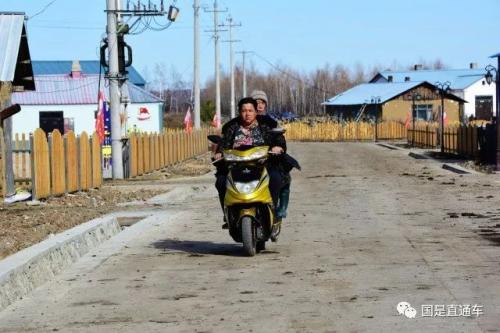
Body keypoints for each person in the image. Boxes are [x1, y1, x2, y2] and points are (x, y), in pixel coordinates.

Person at [214, 97, 285, 227]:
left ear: (256, 112)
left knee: (275, 178)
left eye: (250, 110)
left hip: (262, 165)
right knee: (220, 181)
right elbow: (223, 143)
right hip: (236, 167)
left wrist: (278, 146)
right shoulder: (231, 127)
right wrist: (219, 152)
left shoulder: (266, 126)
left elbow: (278, 139)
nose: (247, 114)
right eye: (244, 110)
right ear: (239, 112)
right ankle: (227, 213)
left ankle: (273, 211)